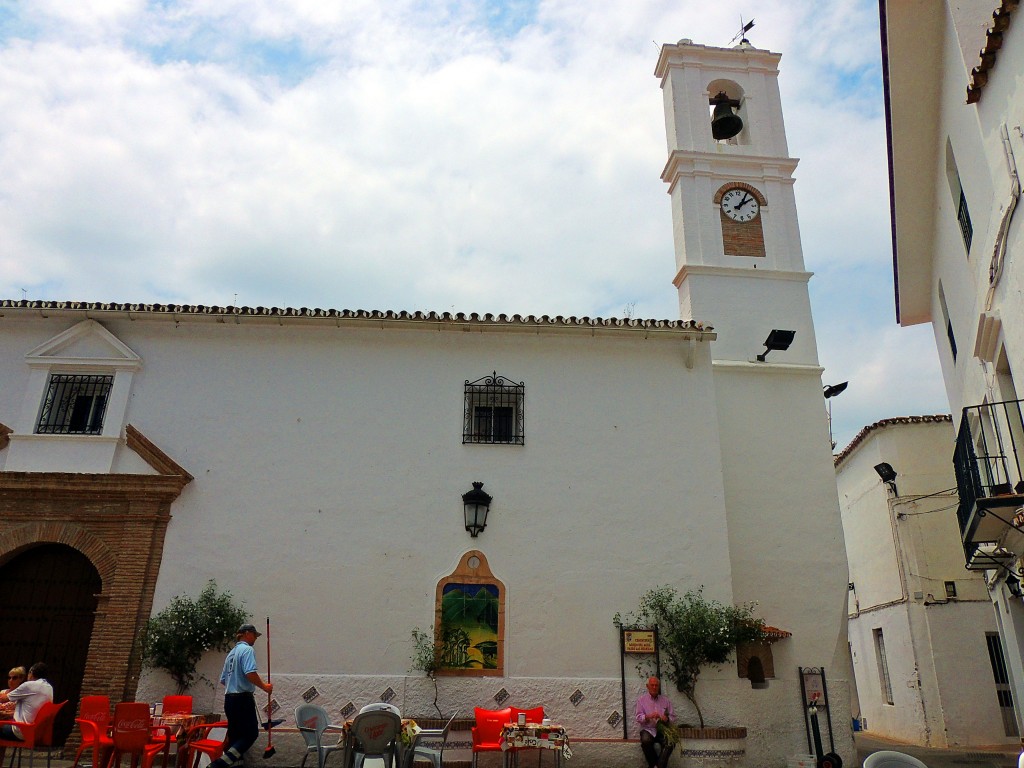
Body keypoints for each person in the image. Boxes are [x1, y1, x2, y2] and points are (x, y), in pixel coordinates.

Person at [208, 623, 273, 768]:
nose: (255, 639)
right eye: (255, 635)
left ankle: (236, 765)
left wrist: (236, 683)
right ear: (247, 633)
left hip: (230, 699)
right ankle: (218, 765)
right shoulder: (247, 650)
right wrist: (264, 687)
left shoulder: (231, 654)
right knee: (250, 734)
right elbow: (250, 673)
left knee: (236, 737)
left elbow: (224, 680)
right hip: (242, 699)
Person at [0, 663, 53, 739]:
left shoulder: (29, 685)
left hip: (22, 730)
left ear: (31, 672)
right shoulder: (49, 688)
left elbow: (3, 699)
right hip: (38, 732)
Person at [635, 676, 675, 768]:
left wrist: (667, 719)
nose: (654, 687)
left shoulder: (665, 700)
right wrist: (648, 716)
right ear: (647, 686)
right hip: (648, 729)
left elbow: (673, 716)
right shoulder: (641, 700)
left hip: (662, 729)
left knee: (670, 742)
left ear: (659, 687)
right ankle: (656, 765)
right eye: (652, 685)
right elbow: (638, 717)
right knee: (645, 741)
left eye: (656, 685)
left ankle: (656, 766)